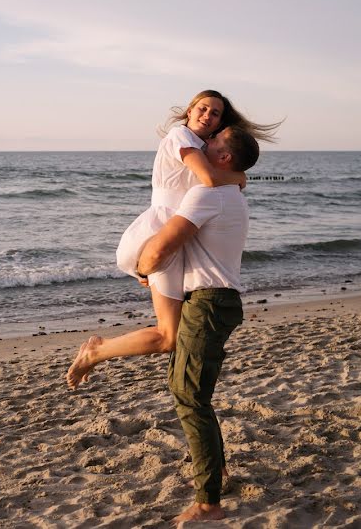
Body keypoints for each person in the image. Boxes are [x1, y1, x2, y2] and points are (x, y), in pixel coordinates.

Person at [66, 90, 278, 389]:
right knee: (168, 336)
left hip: (176, 238)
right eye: (203, 108)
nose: (207, 115)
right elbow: (208, 179)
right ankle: (96, 351)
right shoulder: (181, 136)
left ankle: (98, 350)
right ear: (189, 111)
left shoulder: (205, 146)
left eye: (215, 113)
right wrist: (240, 178)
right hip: (160, 231)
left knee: (171, 337)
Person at [136, 127, 259, 523]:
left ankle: (208, 503)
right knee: (190, 390)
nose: (204, 144)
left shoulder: (207, 194)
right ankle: (218, 471)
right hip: (217, 302)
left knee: (189, 397)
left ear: (224, 157)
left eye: (214, 143)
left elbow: (161, 246)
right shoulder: (234, 196)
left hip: (207, 304)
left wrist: (143, 268)